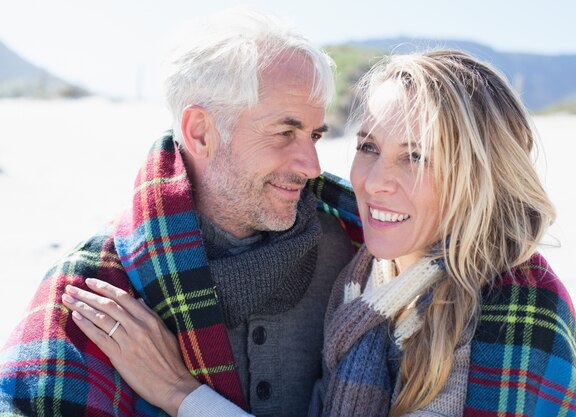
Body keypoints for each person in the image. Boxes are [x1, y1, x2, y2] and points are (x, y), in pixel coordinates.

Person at [0, 8, 358, 417]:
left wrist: (179, 393)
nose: (312, 166)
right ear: (200, 132)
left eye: (313, 135)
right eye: (284, 133)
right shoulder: (96, 292)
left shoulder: (357, 255)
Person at [305, 50, 576, 416]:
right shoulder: (359, 281)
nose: (375, 181)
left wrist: (208, 405)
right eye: (368, 147)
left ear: (479, 177)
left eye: (416, 156)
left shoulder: (516, 308)